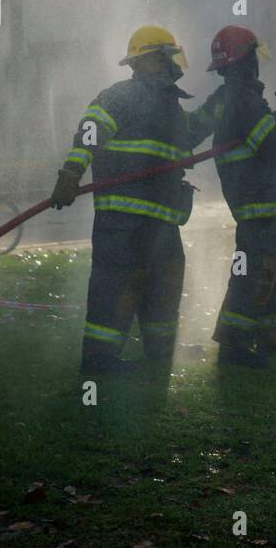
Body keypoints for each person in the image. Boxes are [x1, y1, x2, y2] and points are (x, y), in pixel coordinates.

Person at [50, 25, 209, 374]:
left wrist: (220, 108)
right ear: (151, 59)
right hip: (122, 223)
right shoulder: (120, 96)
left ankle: (160, 352)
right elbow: (89, 131)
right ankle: (99, 361)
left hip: (162, 222)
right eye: (168, 58)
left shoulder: (171, 108)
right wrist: (70, 175)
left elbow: (188, 140)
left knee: (162, 289)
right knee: (114, 288)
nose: (173, 66)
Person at [193, 24, 276, 367]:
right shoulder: (245, 100)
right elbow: (273, 144)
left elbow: (195, 130)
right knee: (253, 275)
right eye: (254, 56)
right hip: (257, 202)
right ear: (245, 60)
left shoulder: (234, 97)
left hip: (261, 202)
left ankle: (275, 341)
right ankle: (233, 348)